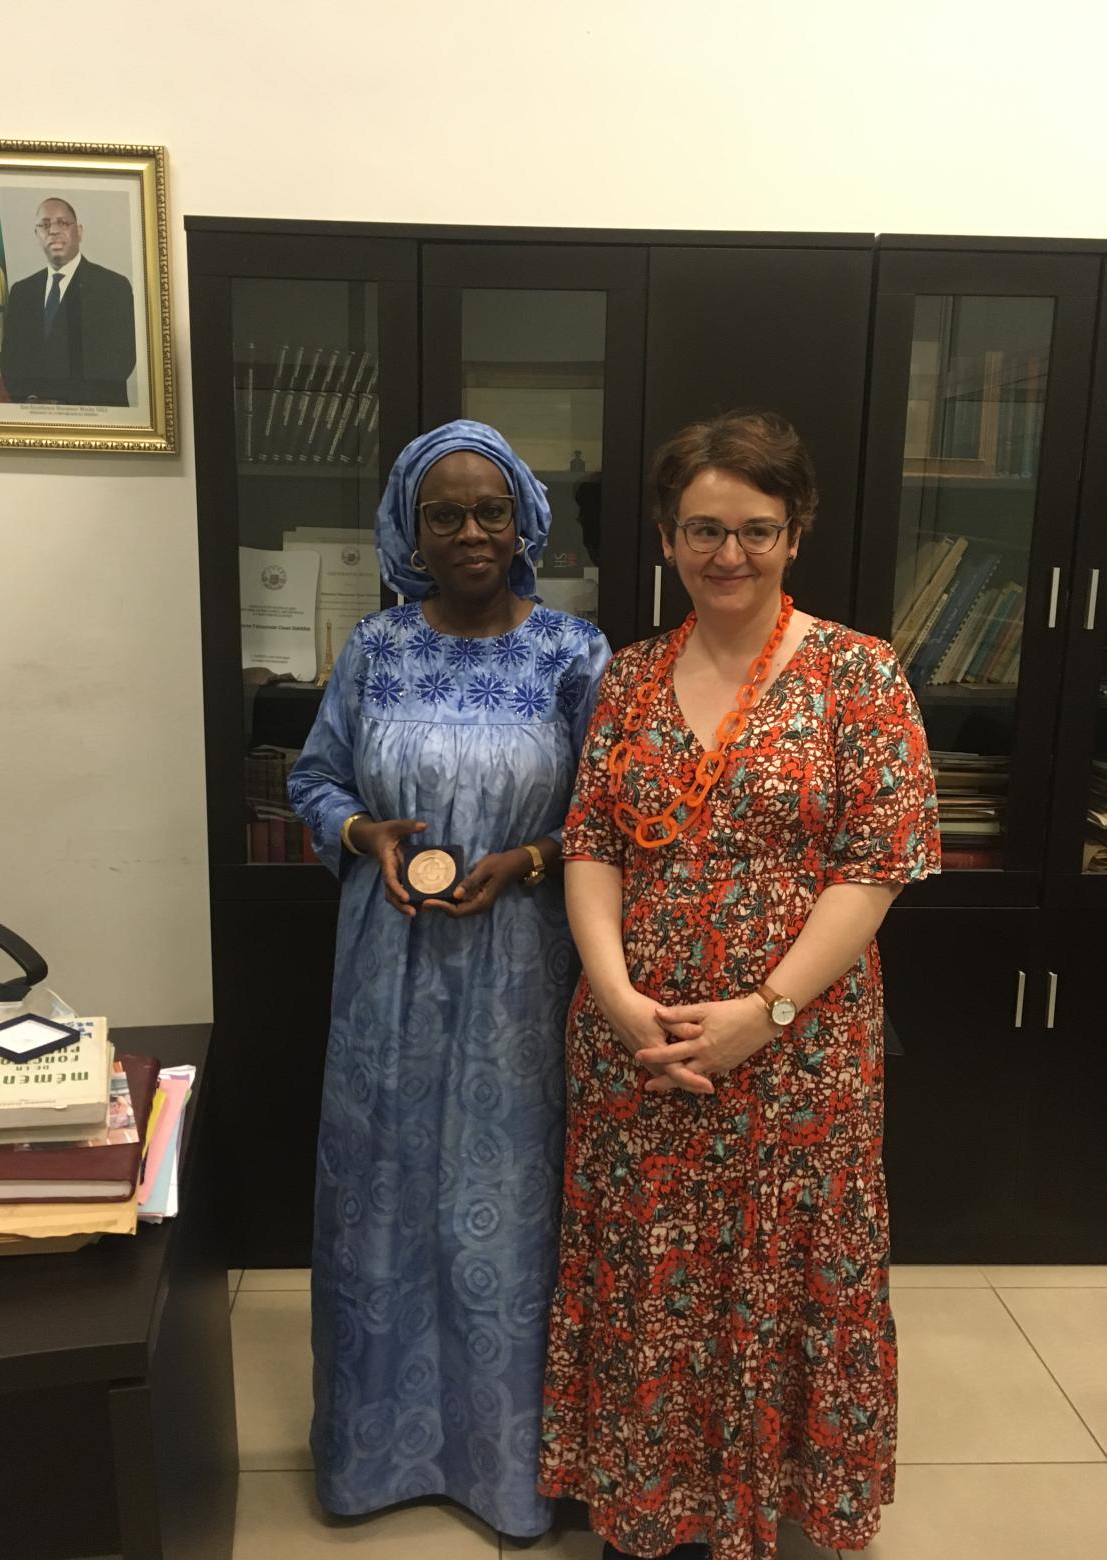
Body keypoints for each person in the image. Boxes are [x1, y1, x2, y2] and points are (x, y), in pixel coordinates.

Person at [538, 410, 941, 1559]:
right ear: (667, 536)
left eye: (755, 530)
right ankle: (649, 1504)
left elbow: (877, 870)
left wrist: (761, 1015)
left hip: (797, 1052)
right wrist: (616, 999)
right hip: (641, 1047)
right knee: (647, 1273)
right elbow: (592, 847)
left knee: (781, 1271)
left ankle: (775, 1508)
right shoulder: (626, 679)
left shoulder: (862, 678)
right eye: (703, 530)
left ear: (796, 531)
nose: (728, 555)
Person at [288, 420, 612, 1537]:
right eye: (444, 513)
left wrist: (530, 857)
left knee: (503, 1207)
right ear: (409, 530)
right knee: (383, 1194)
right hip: (386, 972)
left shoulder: (578, 653)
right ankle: (374, 1456)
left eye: (490, 510)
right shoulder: (374, 650)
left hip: (524, 972)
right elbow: (313, 774)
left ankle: (509, 1471)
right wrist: (364, 836)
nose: (470, 531)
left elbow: (614, 820)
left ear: (526, 517)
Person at [0, 197, 136, 405]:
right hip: (34, 416)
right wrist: (32, 399)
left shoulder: (113, 286)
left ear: (79, 231)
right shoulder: (22, 292)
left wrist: (58, 401)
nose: (53, 231)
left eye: (62, 223)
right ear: (37, 235)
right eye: (45, 225)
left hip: (95, 417)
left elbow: (120, 361)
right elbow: (10, 361)